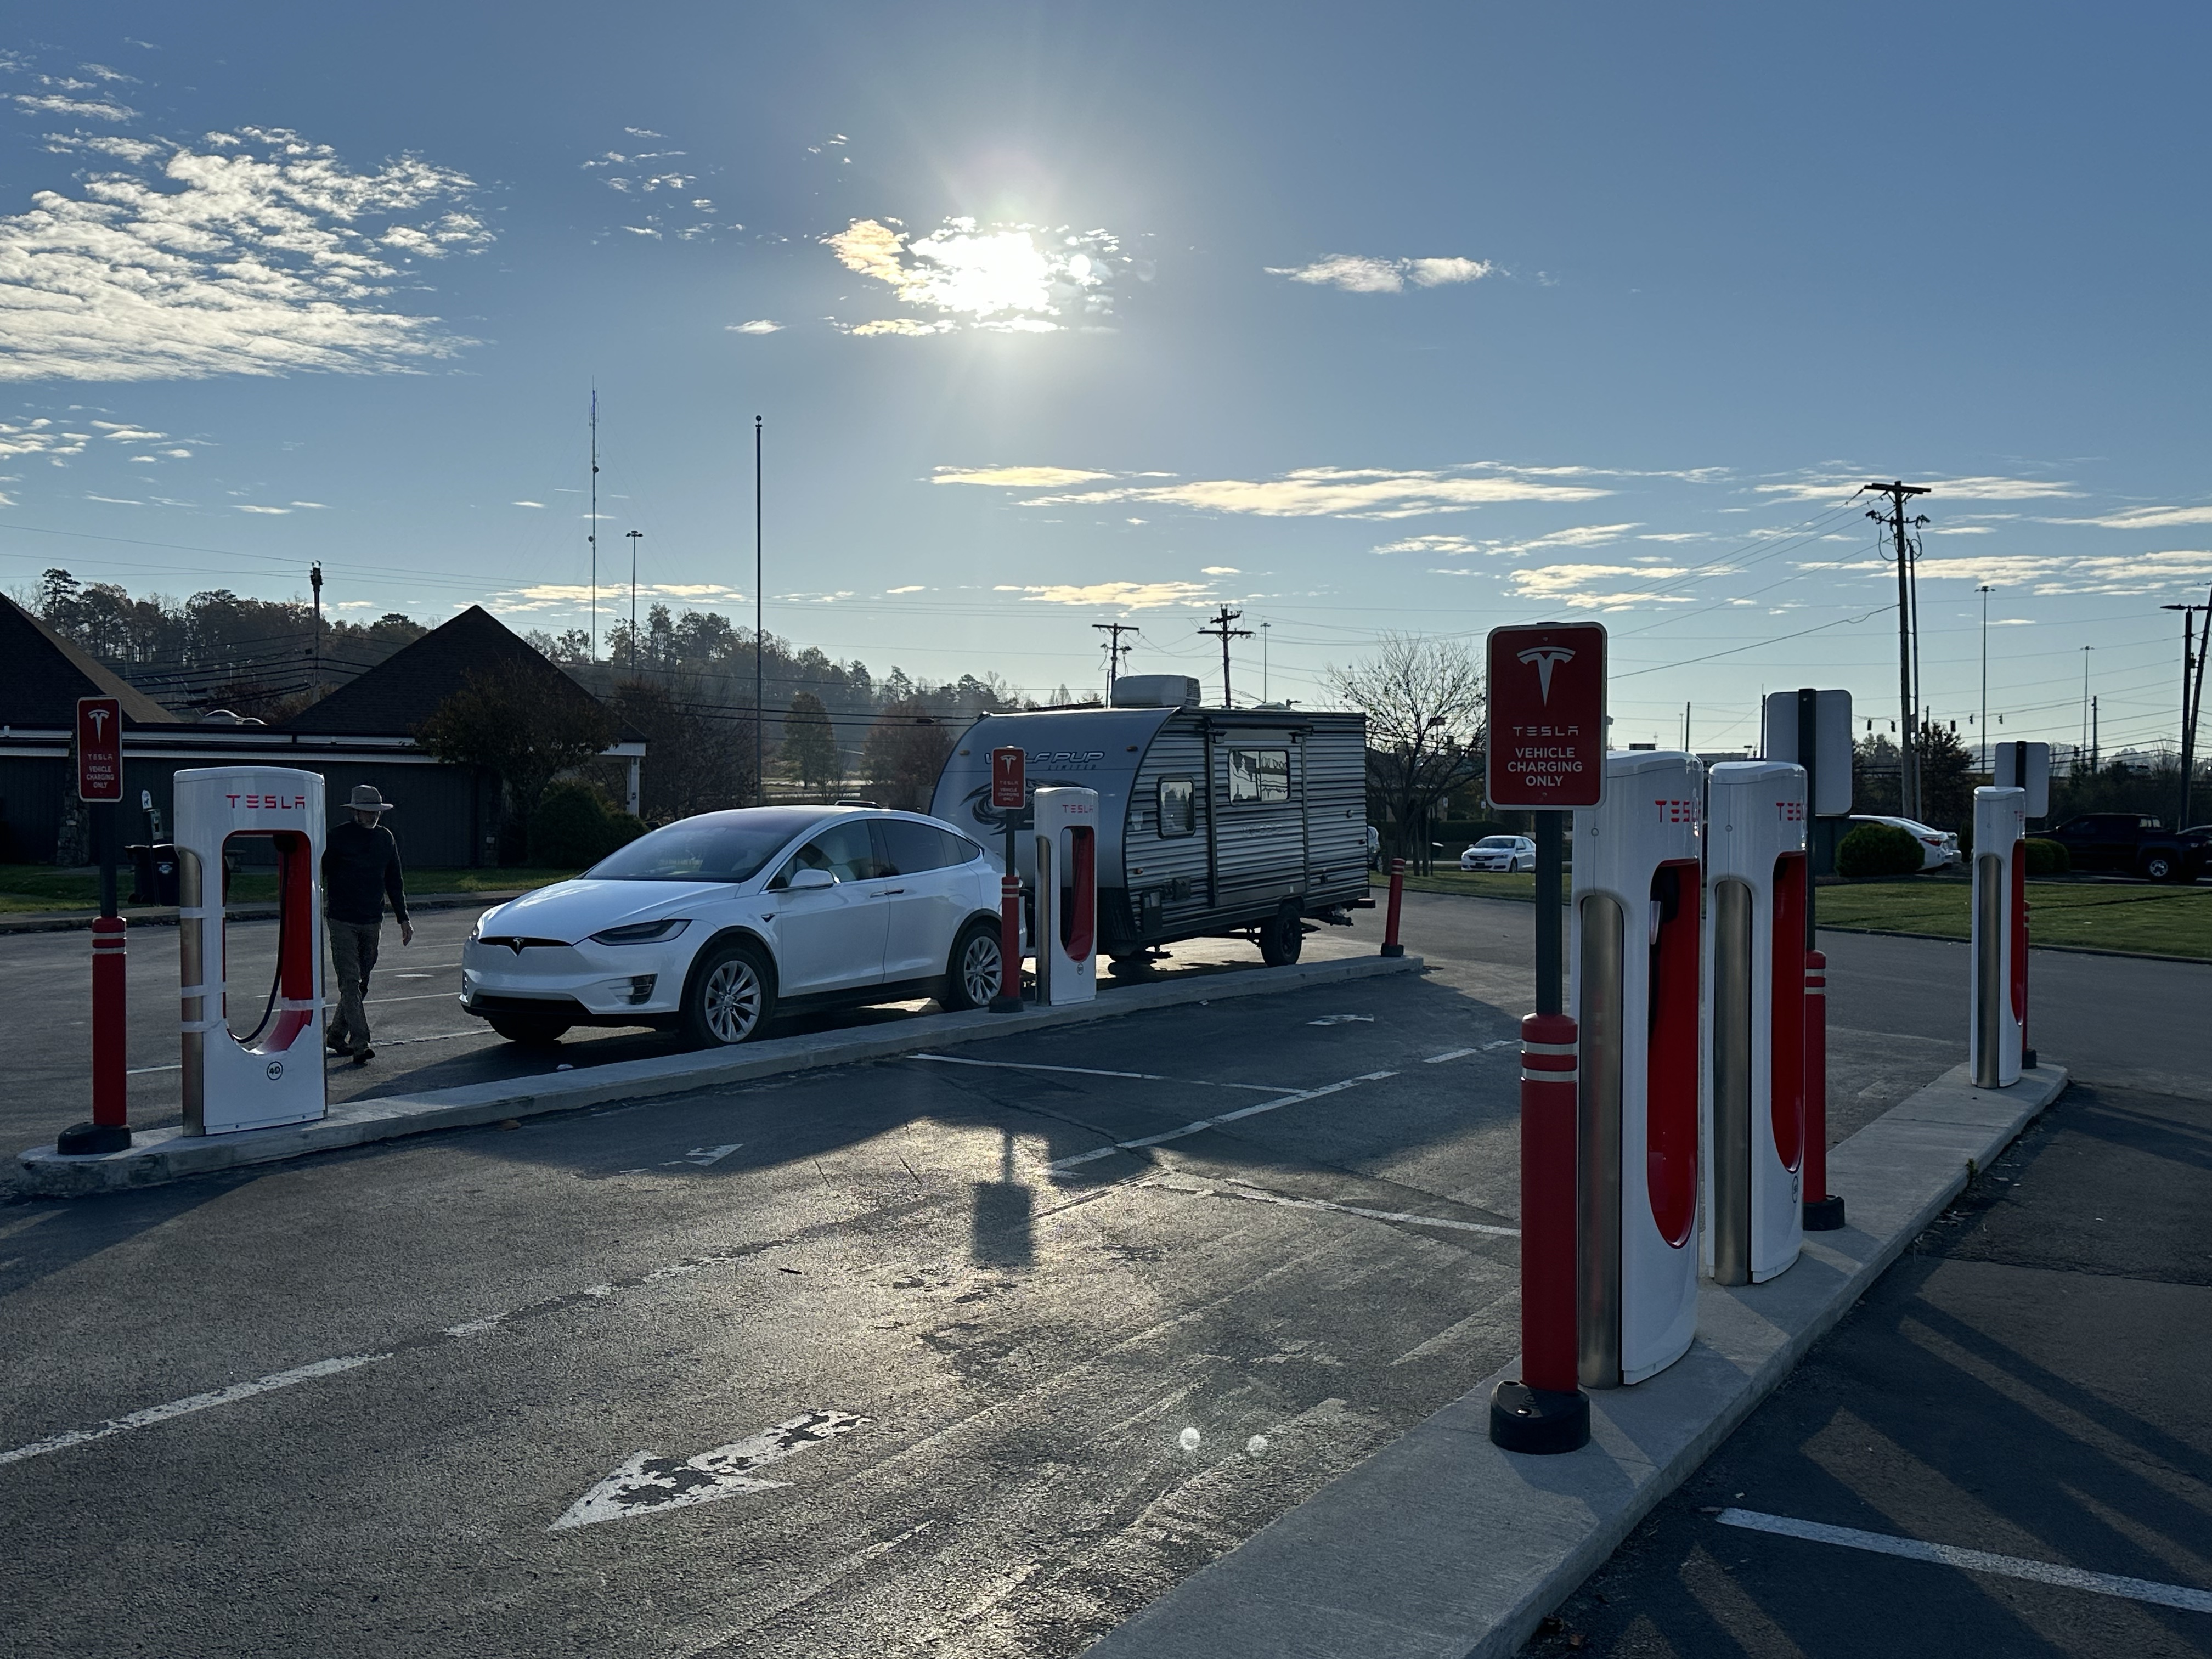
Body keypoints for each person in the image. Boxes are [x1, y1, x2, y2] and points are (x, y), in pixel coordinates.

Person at [323, 783, 412, 1065]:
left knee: (362, 982)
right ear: (355, 812)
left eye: (376, 812)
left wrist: (404, 919)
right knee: (349, 981)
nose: (372, 817)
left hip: (372, 919)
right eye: (366, 812)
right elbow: (319, 872)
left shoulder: (386, 839)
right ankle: (361, 1042)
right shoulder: (337, 838)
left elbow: (394, 881)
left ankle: (336, 1035)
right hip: (341, 919)